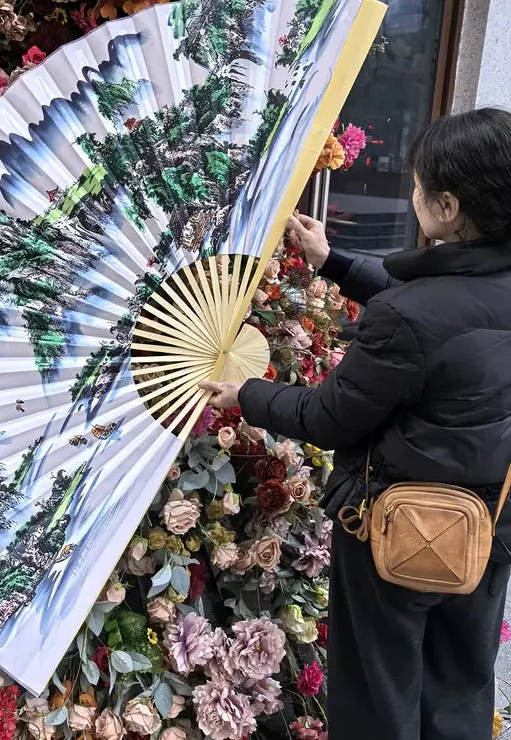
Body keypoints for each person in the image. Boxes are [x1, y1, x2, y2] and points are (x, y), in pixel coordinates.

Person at [200, 107, 511, 740]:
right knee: (458, 687)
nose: (413, 194)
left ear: (448, 206)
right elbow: (446, 321)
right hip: (490, 523)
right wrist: (331, 260)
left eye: (420, 186)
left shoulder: (409, 316)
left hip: (399, 527)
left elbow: (328, 416)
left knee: (377, 694)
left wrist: (247, 393)